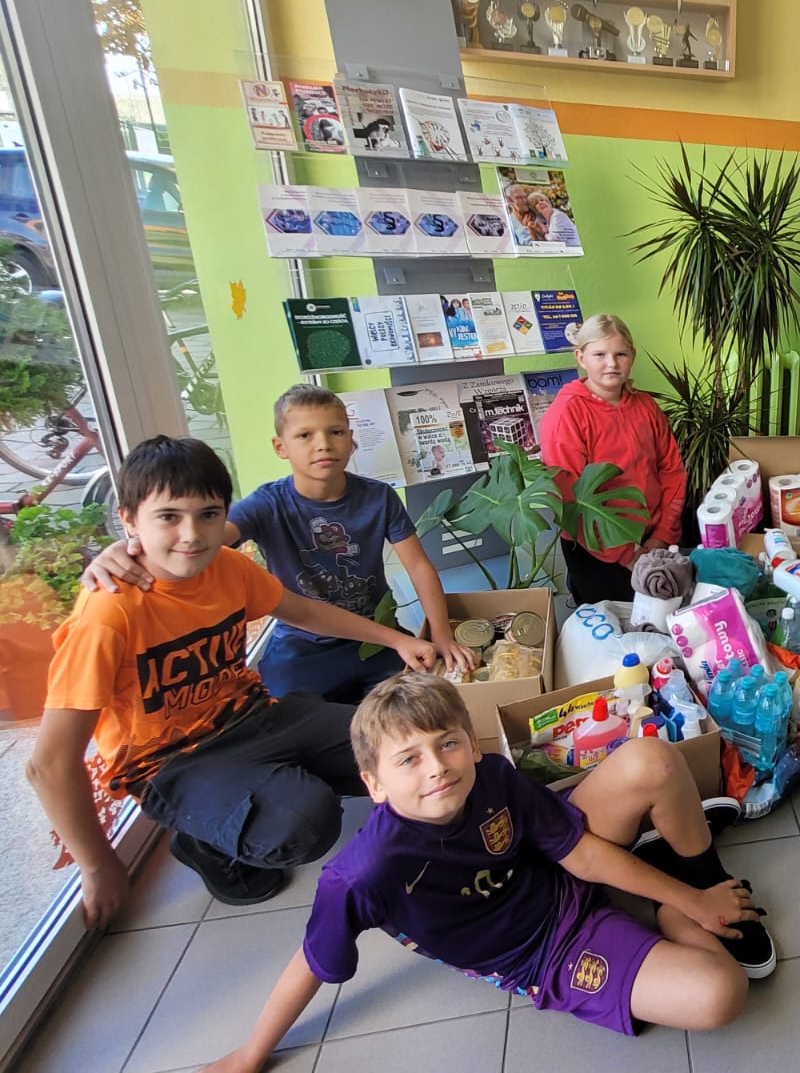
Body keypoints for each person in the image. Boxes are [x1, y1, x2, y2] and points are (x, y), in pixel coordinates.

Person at [198, 674, 774, 1071]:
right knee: (720, 995)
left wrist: (695, 899)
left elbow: (579, 853)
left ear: (471, 746)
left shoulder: (493, 775)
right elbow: (314, 961)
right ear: (373, 785)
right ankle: (668, 897)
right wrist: (251, 1055)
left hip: (556, 870)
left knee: (652, 759)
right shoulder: (361, 874)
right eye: (408, 759)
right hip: (544, 953)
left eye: (447, 744)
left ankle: (696, 883)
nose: (436, 768)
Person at [29, 436, 437, 917]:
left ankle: (268, 789)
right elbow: (49, 764)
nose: (191, 534)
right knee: (307, 823)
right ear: (129, 520)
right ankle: (206, 845)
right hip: (171, 762)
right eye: (168, 517)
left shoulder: (229, 567)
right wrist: (98, 866)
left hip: (254, 718)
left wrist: (397, 640)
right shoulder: (107, 614)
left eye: (208, 514)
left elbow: (305, 611)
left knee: (405, 745)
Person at [83, 385, 479, 702]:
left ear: (351, 439)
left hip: (377, 638)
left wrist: (441, 635)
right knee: (294, 723)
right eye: (305, 435)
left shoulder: (379, 497)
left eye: (335, 432)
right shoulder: (267, 504)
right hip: (301, 646)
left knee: (415, 713)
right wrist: (132, 546)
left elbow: (419, 567)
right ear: (280, 447)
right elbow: (205, 539)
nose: (323, 444)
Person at [539, 314, 687, 605]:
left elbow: (672, 470)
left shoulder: (645, 405)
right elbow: (571, 500)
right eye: (600, 355)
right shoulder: (566, 414)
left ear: (632, 356)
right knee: (617, 625)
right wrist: (628, 554)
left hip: (654, 538)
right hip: (598, 551)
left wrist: (661, 536)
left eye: (621, 354)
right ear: (580, 357)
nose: (612, 363)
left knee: (664, 619)